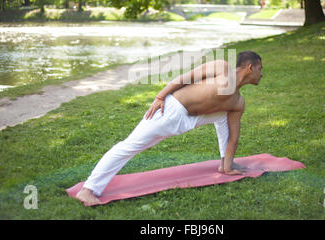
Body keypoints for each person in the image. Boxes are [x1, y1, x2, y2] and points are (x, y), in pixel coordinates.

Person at [76, 50, 263, 205]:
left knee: (223, 116)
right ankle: (88, 190)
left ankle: (225, 164)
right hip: (171, 110)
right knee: (130, 146)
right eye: (260, 69)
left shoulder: (238, 102)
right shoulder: (221, 67)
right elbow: (185, 78)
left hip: (191, 119)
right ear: (249, 67)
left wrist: (229, 165)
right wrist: (160, 97)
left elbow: (233, 136)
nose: (261, 74)